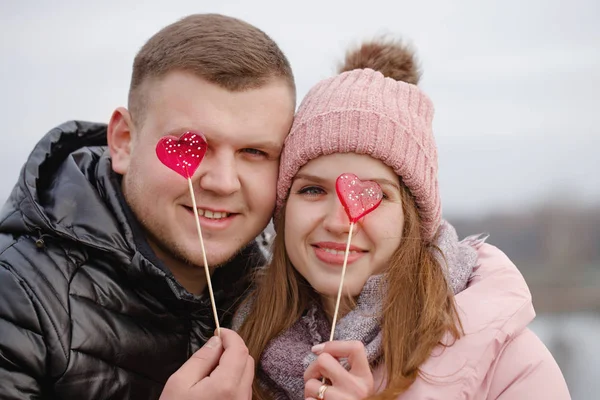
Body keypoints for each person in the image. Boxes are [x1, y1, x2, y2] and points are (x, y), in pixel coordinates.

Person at [234, 39, 571, 399]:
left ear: (412, 218)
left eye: (374, 194)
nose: (339, 222)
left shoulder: (511, 365)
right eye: (312, 190)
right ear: (283, 211)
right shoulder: (238, 340)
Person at [0, 13, 295, 399]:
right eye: (192, 144)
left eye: (255, 152)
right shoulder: (17, 297)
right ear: (123, 141)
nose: (223, 182)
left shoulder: (282, 305)